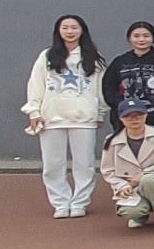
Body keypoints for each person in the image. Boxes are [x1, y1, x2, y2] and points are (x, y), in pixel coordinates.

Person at [23, 14, 107, 218]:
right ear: (58, 31)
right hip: (52, 117)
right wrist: (34, 111)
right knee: (53, 164)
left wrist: (100, 112)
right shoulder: (47, 56)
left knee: (84, 164)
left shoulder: (93, 57)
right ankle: (60, 203)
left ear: (82, 30)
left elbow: (100, 87)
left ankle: (79, 202)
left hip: (84, 118)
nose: (70, 31)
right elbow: (36, 84)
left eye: (74, 27)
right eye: (65, 28)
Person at [100, 98, 154, 233]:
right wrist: (122, 186)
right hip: (132, 187)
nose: (134, 119)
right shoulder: (111, 141)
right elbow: (108, 171)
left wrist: (146, 173)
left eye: (138, 114)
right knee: (130, 211)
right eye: (128, 116)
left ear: (145, 115)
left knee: (149, 180)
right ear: (121, 118)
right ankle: (140, 215)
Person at [102, 20, 154, 131]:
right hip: (124, 117)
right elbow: (108, 87)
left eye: (146, 36)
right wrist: (120, 104)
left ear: (153, 38)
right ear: (129, 38)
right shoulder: (120, 61)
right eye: (136, 36)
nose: (141, 39)